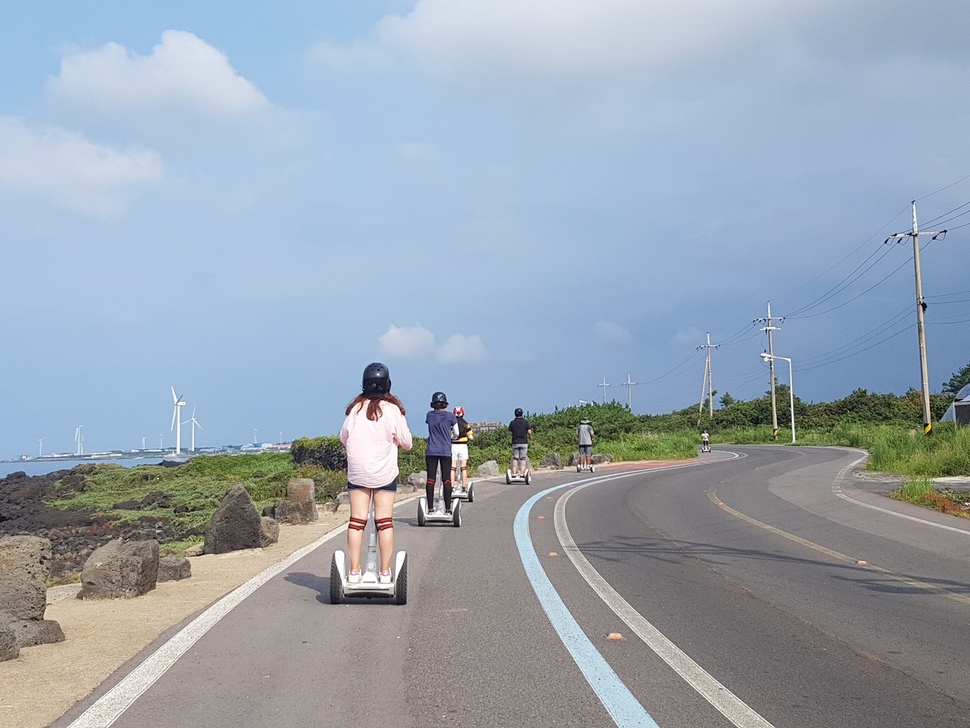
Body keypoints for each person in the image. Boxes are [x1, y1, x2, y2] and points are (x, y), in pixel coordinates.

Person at [339, 362, 412, 585]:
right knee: (384, 522)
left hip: (358, 475)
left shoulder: (354, 410)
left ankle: (354, 571)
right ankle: (385, 572)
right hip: (384, 475)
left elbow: (344, 437)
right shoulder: (392, 411)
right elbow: (406, 442)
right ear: (387, 385)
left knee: (356, 522)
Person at [426, 392, 457, 514]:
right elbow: (457, 433)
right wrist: (451, 438)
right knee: (447, 479)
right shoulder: (451, 416)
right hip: (445, 450)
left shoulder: (429, 415)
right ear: (445, 404)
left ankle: (430, 508)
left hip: (431, 450)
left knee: (431, 479)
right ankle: (448, 509)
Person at [450, 406, 474, 492]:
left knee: (453, 468)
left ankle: (452, 487)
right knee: (463, 467)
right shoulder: (466, 424)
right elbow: (470, 437)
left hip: (453, 446)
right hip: (463, 446)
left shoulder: (451, 424)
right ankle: (463, 488)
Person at [508, 407, 532, 477]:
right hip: (524, 442)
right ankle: (522, 473)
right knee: (523, 458)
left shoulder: (512, 423)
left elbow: (509, 433)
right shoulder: (525, 422)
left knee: (515, 458)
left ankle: (514, 473)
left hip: (515, 442)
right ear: (522, 413)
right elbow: (529, 431)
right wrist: (529, 437)